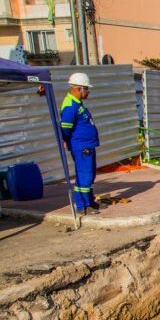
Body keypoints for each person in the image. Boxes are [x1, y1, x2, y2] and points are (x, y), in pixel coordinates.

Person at [60, 72, 100, 215]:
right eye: (87, 89)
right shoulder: (70, 106)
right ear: (79, 89)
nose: (88, 92)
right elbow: (65, 128)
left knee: (90, 174)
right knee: (85, 174)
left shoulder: (77, 103)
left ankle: (90, 200)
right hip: (81, 146)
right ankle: (83, 205)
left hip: (88, 145)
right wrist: (65, 140)